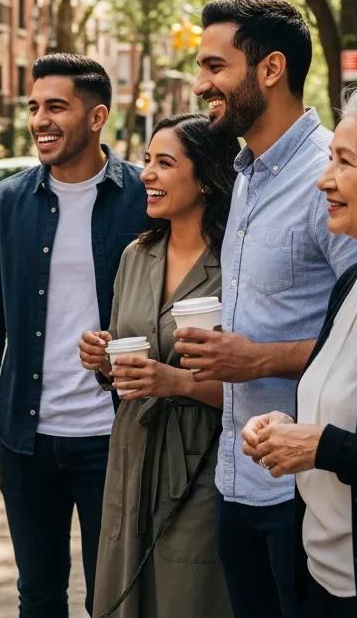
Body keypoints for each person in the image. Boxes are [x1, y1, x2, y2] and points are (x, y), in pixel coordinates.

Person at [174, 0, 357, 618]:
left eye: (215, 67)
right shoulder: (245, 172)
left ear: (271, 69)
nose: (201, 84)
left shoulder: (330, 178)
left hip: (303, 488)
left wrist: (259, 359)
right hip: (235, 479)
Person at [0, 53, 148, 617]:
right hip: (27, 436)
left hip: (112, 436)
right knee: (37, 594)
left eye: (56, 107)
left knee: (110, 594)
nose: (40, 120)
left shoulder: (143, 197)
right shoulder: (9, 202)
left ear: (96, 118)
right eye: (34, 107)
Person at [243, 84, 357, 618]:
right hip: (321, 585)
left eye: (345, 162)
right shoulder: (350, 284)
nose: (324, 179)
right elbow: (345, 408)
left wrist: (324, 447)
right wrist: (285, 427)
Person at [79, 114, 238, 617]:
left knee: (185, 597)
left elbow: (257, 383)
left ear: (207, 178)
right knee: (122, 594)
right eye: (148, 160)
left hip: (199, 460)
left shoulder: (236, 262)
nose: (146, 173)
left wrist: (178, 383)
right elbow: (127, 350)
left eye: (164, 163)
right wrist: (103, 360)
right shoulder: (137, 254)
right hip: (130, 452)